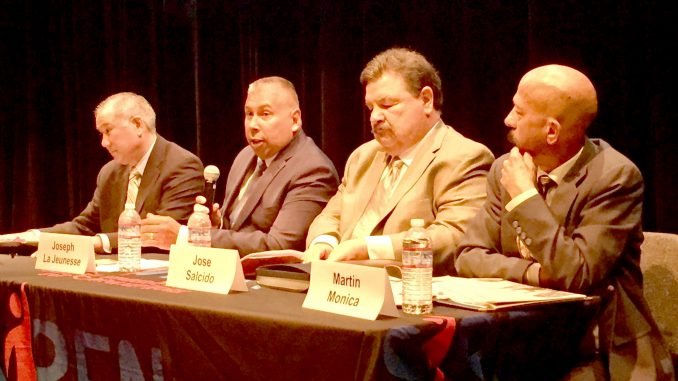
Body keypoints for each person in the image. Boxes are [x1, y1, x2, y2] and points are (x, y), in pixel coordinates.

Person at [454, 64, 674, 380]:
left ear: (552, 131)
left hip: (595, 347)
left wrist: (525, 197)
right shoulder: (505, 168)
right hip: (520, 339)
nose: (508, 119)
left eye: (519, 111)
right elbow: (468, 255)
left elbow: (576, 272)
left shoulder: (615, 178)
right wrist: (534, 272)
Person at [303, 47, 494, 274]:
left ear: (425, 100)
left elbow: (455, 238)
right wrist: (323, 242)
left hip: (410, 295)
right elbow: (331, 216)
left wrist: (369, 249)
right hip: (339, 288)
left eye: (387, 105)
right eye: (370, 107)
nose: (375, 117)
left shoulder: (464, 157)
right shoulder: (362, 157)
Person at [141, 76, 339, 255]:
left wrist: (189, 237)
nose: (253, 125)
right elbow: (236, 230)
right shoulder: (245, 156)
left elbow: (280, 245)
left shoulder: (313, 170)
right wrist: (216, 226)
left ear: (295, 120)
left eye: (265, 114)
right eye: (249, 114)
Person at [0, 92, 204, 253]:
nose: (104, 143)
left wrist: (97, 243)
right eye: (101, 134)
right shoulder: (110, 172)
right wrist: (27, 237)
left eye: (108, 131)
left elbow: (160, 235)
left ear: (138, 125)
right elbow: (83, 227)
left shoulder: (182, 165)